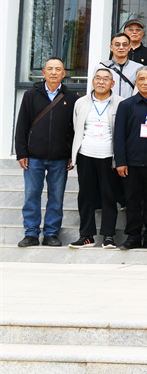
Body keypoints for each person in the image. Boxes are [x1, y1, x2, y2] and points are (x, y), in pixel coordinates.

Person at [15, 58, 77, 248]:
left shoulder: (71, 97)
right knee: (31, 195)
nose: (53, 72)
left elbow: (74, 129)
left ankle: (51, 233)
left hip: (60, 158)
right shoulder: (31, 95)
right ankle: (31, 233)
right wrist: (21, 153)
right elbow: (22, 125)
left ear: (64, 73)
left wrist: (71, 154)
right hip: (34, 156)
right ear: (43, 72)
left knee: (56, 197)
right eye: (50, 69)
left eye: (58, 69)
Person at [68, 68, 122, 249]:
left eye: (106, 79)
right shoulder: (81, 103)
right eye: (97, 78)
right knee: (85, 196)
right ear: (92, 81)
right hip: (85, 154)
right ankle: (86, 236)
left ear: (112, 83)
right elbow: (76, 127)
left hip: (108, 156)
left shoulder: (120, 103)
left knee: (109, 196)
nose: (101, 82)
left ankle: (108, 236)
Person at [113, 68, 147, 250]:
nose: (145, 82)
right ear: (136, 82)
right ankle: (133, 237)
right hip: (131, 163)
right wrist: (120, 161)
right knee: (132, 201)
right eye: (141, 79)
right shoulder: (126, 105)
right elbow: (119, 136)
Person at [101, 33, 145, 99]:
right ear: (111, 48)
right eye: (117, 45)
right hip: (108, 104)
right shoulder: (101, 67)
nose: (121, 47)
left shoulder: (139, 68)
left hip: (130, 105)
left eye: (125, 44)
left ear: (129, 47)